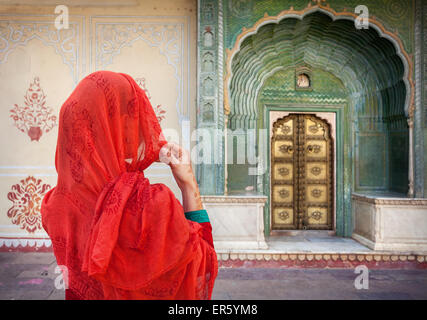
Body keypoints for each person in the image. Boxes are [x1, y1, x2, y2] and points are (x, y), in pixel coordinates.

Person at [41, 70, 218, 300]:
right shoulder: (149, 207)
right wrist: (188, 183)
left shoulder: (55, 206)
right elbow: (202, 266)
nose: (139, 127)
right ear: (114, 125)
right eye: (132, 116)